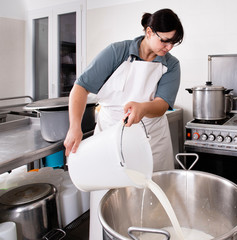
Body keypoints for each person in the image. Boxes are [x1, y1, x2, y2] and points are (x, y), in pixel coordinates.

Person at [63, 8, 184, 239]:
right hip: (110, 139)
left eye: (173, 43)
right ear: (149, 32)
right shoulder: (117, 52)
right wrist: (74, 126)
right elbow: (81, 87)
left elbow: (161, 105)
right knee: (111, 203)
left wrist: (142, 108)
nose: (168, 48)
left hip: (152, 141)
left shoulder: (171, 64)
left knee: (152, 204)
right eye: (165, 41)